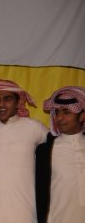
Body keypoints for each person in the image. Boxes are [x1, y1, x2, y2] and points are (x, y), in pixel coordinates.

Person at [0, 79, 48, 223]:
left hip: (22, 210)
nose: (1, 105)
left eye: (7, 99)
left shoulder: (34, 127)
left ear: (18, 102)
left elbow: (57, 150)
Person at [36, 86, 85, 223]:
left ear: (82, 116)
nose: (59, 118)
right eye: (56, 112)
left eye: (66, 112)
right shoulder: (44, 150)